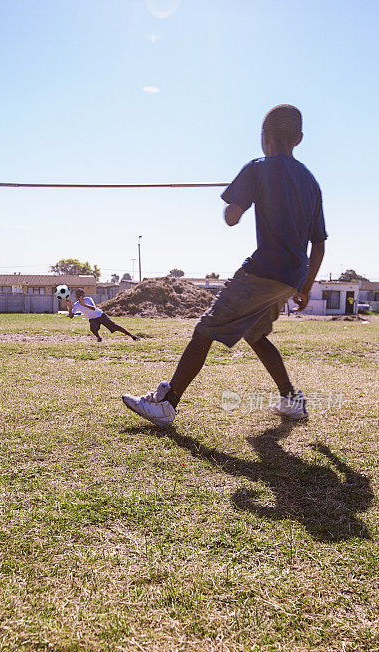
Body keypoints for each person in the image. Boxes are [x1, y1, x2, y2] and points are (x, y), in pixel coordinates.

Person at [122, 104, 327, 426]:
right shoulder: (311, 182)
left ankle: (167, 403)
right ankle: (292, 399)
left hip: (263, 271)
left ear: (264, 137)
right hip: (292, 276)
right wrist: (305, 286)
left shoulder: (258, 167)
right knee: (256, 334)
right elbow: (319, 244)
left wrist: (236, 202)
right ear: (299, 139)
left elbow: (232, 218)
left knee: (204, 330)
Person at [68, 288, 138, 342]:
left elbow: (93, 308)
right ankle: (99, 338)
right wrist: (70, 308)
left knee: (115, 327)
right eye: (78, 295)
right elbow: (71, 317)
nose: (80, 297)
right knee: (93, 329)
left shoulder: (88, 299)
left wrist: (84, 305)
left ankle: (132, 336)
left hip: (100, 315)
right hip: (92, 319)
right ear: (77, 297)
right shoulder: (77, 305)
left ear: (84, 295)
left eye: (82, 295)